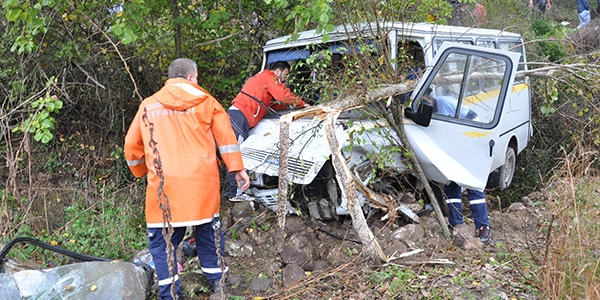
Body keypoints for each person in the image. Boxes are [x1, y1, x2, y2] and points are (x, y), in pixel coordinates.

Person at [124, 58, 250, 299]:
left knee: (164, 243)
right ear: (192, 77)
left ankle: (170, 294)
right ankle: (218, 283)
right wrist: (237, 169)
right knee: (207, 231)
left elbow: (131, 146)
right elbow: (226, 139)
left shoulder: (148, 106)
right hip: (202, 183)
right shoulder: (207, 102)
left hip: (164, 186)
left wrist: (141, 171)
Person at [226, 60, 308, 201]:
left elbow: (270, 105)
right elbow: (282, 96)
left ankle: (236, 191)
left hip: (242, 117)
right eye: (285, 75)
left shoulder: (262, 81)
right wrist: (302, 103)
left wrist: (290, 108)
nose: (285, 79)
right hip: (239, 117)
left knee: (239, 153)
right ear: (278, 71)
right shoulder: (269, 77)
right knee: (236, 154)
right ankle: (234, 193)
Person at [422, 88, 491, 243]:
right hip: (452, 148)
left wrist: (470, 144)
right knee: (451, 185)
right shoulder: (428, 111)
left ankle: (483, 226)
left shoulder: (445, 103)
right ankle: (456, 225)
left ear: (428, 97)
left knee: (473, 185)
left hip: (468, 142)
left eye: (424, 100)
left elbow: (472, 118)